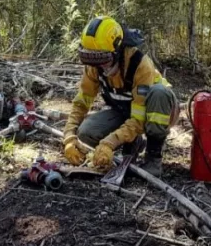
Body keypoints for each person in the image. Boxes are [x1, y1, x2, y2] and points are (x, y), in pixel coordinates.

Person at [62, 16, 177, 176]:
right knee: (86, 133)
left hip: (158, 110)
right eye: (92, 59)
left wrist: (110, 142)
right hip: (126, 111)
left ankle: (153, 158)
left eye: (103, 59)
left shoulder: (140, 64)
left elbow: (139, 118)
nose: (99, 66)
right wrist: (69, 137)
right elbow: (81, 102)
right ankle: (133, 143)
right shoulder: (94, 67)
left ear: (117, 50)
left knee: (159, 93)